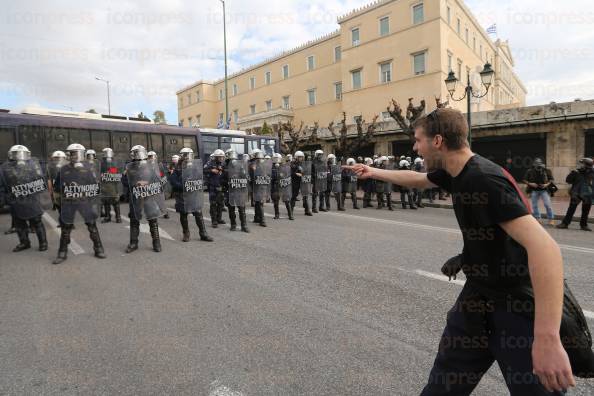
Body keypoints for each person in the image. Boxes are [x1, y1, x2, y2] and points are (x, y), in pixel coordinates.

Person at [345, 107, 576, 395]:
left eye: (418, 140)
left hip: (516, 308)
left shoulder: (484, 179)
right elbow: (417, 179)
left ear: (438, 141)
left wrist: (547, 339)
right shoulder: (455, 172)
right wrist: (373, 172)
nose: (416, 148)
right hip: (477, 299)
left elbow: (546, 249)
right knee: (441, 388)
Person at [53, 144, 105, 264]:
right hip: (69, 202)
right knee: (66, 227)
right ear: (69, 155)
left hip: (84, 201)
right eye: (73, 153)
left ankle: (98, 249)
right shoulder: (64, 169)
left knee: (92, 225)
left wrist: (92, 201)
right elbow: (57, 187)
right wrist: (60, 194)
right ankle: (62, 252)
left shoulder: (88, 168)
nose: (75, 156)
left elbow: (94, 186)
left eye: (78, 153)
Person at [0, 145, 49, 253]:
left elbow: (41, 180)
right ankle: (24, 243)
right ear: (10, 155)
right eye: (16, 154)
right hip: (16, 200)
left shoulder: (34, 164)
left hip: (32, 199)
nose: (19, 157)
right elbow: (2, 185)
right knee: (19, 224)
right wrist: (2, 200)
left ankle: (43, 243)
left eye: (21, 154)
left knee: (37, 222)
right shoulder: (4, 167)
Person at [123, 145, 165, 253]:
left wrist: (146, 183)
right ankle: (133, 243)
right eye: (137, 153)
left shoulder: (151, 166)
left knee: (153, 219)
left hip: (149, 196)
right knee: (134, 219)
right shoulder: (129, 167)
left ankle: (157, 242)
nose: (139, 156)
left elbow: (157, 181)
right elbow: (124, 182)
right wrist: (135, 183)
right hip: (136, 197)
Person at [168, 148, 213, 242]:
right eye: (185, 156)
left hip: (194, 195)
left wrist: (201, 183)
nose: (187, 158)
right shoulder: (177, 168)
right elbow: (173, 182)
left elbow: (202, 178)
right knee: (183, 215)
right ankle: (186, 233)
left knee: (198, 214)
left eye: (189, 156)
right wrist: (184, 186)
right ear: (182, 157)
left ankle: (203, 233)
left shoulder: (195, 167)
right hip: (182, 196)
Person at [556, 157, 593, 231]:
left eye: (582, 163)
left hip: (587, 194)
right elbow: (568, 180)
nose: (580, 165)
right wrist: (573, 173)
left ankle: (584, 225)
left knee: (586, 211)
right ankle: (565, 223)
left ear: (586, 165)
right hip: (576, 193)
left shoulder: (593, 172)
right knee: (571, 209)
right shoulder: (576, 172)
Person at [222, 149, 250, 232]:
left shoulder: (241, 166)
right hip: (229, 191)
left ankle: (244, 225)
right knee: (231, 209)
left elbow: (246, 177)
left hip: (239, 190)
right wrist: (227, 181)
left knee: (242, 209)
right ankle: (233, 224)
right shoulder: (224, 166)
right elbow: (221, 179)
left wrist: (245, 176)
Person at [523, 158, 556, 226]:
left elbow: (551, 179)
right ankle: (537, 218)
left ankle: (551, 219)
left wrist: (546, 184)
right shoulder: (530, 171)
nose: (538, 165)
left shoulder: (546, 170)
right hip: (534, 190)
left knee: (547, 205)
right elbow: (524, 180)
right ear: (534, 164)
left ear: (542, 164)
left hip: (544, 190)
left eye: (539, 164)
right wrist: (530, 183)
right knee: (534, 205)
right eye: (536, 164)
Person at [99, 148, 123, 223]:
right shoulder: (101, 163)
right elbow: (100, 172)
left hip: (113, 184)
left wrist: (109, 171)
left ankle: (118, 217)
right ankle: (108, 216)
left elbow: (117, 172)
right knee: (106, 202)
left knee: (115, 201)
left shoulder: (115, 162)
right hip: (105, 184)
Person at [204, 149, 227, 228]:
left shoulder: (224, 163)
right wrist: (211, 170)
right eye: (219, 157)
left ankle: (219, 219)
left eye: (222, 157)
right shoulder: (210, 163)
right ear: (216, 157)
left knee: (220, 204)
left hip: (221, 186)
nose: (221, 158)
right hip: (213, 187)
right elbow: (204, 169)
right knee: (213, 204)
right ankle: (214, 221)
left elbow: (226, 172)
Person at [271, 153, 294, 220]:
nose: (276, 160)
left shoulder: (284, 166)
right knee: (276, 201)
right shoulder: (271, 167)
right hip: (275, 185)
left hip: (283, 185)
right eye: (275, 158)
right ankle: (277, 214)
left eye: (277, 158)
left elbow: (287, 174)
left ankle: (290, 215)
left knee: (287, 200)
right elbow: (270, 175)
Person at [291, 151, 313, 216]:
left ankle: (307, 210)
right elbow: (290, 173)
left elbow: (307, 172)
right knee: (294, 196)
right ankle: (291, 210)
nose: (301, 158)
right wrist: (296, 174)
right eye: (299, 157)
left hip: (304, 181)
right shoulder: (293, 164)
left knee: (305, 195)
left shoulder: (304, 164)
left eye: (302, 157)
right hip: (296, 181)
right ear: (296, 157)